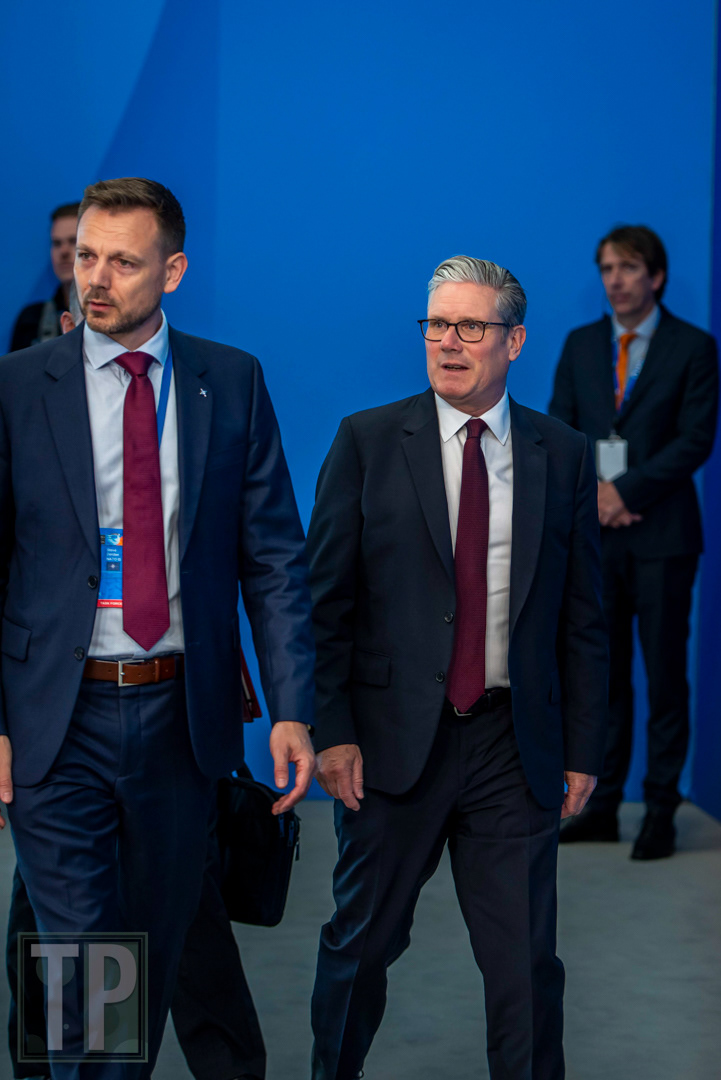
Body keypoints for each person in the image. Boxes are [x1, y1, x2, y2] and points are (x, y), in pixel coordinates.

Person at [0, 176, 316, 1079]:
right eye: (84, 256)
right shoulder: (20, 388)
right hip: (56, 728)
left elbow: (274, 558)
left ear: (172, 271)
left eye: (123, 262)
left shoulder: (230, 382)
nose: (95, 278)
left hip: (181, 725)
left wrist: (292, 707)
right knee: (92, 970)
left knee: (152, 955)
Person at [307, 256, 608, 1080]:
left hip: (512, 750)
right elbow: (322, 604)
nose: (446, 342)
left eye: (468, 327)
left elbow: (583, 617)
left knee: (523, 969)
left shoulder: (563, 452)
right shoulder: (366, 441)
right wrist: (330, 731)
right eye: (435, 324)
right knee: (359, 950)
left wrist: (583, 749)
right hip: (390, 749)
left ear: (513, 341)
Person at [549, 225, 719, 860]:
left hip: (663, 538)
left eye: (626, 267)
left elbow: (695, 439)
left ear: (657, 276)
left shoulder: (693, 347)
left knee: (665, 676)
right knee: (602, 675)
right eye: (606, 268)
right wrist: (595, 493)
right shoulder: (580, 344)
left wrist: (627, 492)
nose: (614, 279)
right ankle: (602, 804)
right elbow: (559, 427)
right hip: (594, 536)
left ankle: (659, 811)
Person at [9, 203, 79, 351]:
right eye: (57, 243)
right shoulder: (31, 320)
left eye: (73, 241)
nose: (64, 251)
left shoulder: (113, 313)